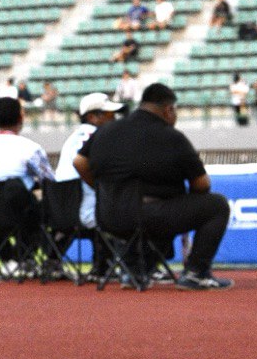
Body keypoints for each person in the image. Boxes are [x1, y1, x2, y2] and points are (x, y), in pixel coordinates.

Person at [75, 83, 234, 290]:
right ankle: (196, 273)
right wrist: (188, 199)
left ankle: (135, 271)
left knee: (162, 212)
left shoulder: (107, 130)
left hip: (107, 216)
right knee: (217, 205)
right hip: (146, 216)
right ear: (169, 110)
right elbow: (202, 184)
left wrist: (100, 189)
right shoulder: (171, 137)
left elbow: (79, 162)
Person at [0, 97, 55, 265]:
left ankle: (10, 259)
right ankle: (27, 258)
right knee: (41, 211)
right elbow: (50, 181)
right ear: (21, 118)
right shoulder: (30, 147)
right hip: (19, 215)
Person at [56, 92, 124, 278]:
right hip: (91, 213)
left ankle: (55, 260)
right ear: (93, 117)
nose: (115, 118)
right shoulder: (99, 136)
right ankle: (133, 267)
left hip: (63, 214)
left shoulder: (71, 139)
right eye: (110, 114)